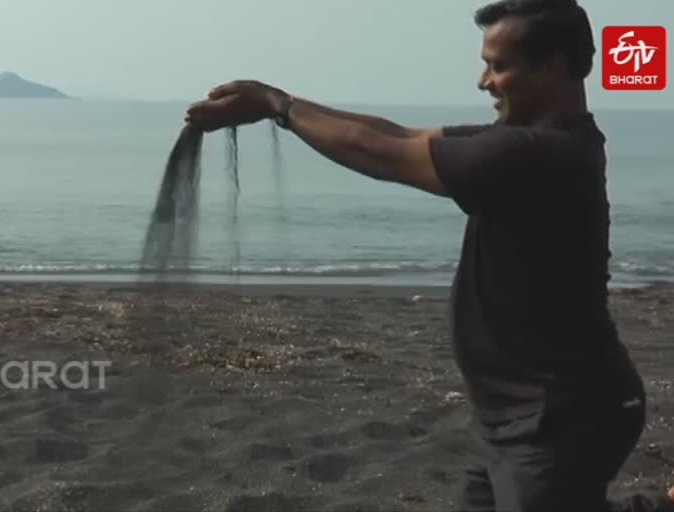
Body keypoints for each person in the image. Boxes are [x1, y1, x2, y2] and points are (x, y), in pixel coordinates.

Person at [185, 0, 674, 510]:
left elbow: (379, 153)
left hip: (561, 415)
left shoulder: (535, 155)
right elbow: (401, 135)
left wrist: (276, 106)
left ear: (552, 66)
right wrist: (279, 103)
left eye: (498, 65)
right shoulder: (524, 141)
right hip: (513, 414)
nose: (483, 80)